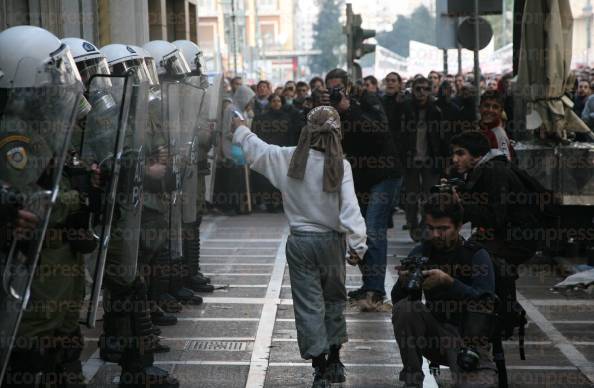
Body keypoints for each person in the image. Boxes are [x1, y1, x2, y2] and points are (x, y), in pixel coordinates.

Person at [231, 106, 367, 388]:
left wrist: (241, 128)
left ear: (306, 130)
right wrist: (357, 244)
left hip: (300, 244)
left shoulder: (288, 158)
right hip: (332, 243)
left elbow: (258, 149)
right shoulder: (341, 165)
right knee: (333, 301)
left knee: (308, 305)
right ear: (338, 131)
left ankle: (319, 366)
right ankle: (335, 361)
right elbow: (351, 207)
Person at [0, 25, 89, 388]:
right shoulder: (15, 132)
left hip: (51, 256)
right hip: (28, 261)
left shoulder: (39, 127)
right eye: (48, 84)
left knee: (53, 337)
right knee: (31, 344)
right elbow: (27, 203)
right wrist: (74, 199)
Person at [391, 193, 498, 388]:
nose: (435, 235)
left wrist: (449, 282)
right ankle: (412, 380)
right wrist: (404, 283)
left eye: (443, 229)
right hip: (434, 336)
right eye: (430, 228)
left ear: (458, 227)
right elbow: (398, 302)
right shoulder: (422, 252)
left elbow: (486, 303)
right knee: (405, 309)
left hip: (468, 339)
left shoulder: (476, 255)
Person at [323, 69, 402, 306]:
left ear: (348, 86)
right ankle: (369, 284)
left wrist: (349, 109)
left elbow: (378, 133)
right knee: (361, 230)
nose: (335, 93)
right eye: (331, 90)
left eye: (338, 88)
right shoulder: (330, 110)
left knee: (374, 227)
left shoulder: (367, 100)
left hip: (384, 173)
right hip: (361, 177)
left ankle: (376, 290)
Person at [400, 77, 446, 241]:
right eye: (418, 89)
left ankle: (425, 226)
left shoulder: (436, 110)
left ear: (430, 90)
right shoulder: (405, 108)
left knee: (430, 197)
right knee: (411, 198)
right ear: (412, 90)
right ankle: (413, 225)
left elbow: (442, 137)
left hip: (430, 159)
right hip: (411, 159)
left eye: (425, 89)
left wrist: (443, 160)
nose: (421, 92)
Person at [479, 90, 514, 161]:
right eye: (486, 105)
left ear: (501, 111)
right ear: (479, 108)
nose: (490, 110)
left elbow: (505, 166)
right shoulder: (481, 129)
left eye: (495, 107)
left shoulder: (499, 134)